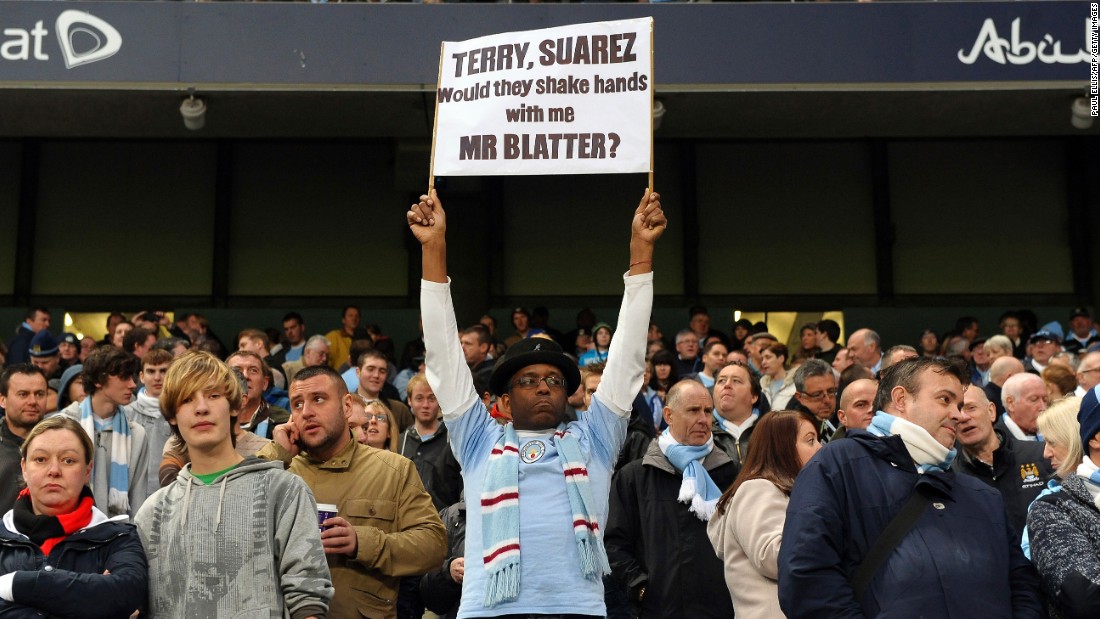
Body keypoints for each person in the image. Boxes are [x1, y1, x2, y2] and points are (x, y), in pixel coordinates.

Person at [410, 187, 664, 617]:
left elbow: (627, 357)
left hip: (576, 609)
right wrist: (434, 248)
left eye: (553, 380)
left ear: (570, 394)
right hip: (487, 610)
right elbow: (443, 355)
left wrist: (641, 251)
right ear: (504, 402)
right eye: (528, 380)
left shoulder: (595, 438)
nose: (543, 386)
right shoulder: (478, 439)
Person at [778, 357, 1044, 618]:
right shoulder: (838, 466)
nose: (958, 415)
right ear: (901, 399)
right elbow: (807, 577)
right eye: (945, 399)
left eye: (961, 404)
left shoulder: (982, 495)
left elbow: (1021, 583)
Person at [135, 351, 333, 618]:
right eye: (187, 399)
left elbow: (308, 595)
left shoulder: (283, 491)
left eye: (213, 395)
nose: (201, 407)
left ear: (235, 407)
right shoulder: (152, 512)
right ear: (172, 415)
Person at [261, 365, 446, 619]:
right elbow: (230, 524)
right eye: (297, 404)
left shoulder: (393, 470)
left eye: (318, 399)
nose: (306, 412)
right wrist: (276, 454)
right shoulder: (279, 469)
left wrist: (362, 542)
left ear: (347, 406)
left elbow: (434, 546)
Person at [606, 380, 736, 618]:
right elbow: (615, 543)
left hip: (721, 609)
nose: (703, 419)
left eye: (708, 411)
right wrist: (640, 587)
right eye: (693, 410)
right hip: (659, 609)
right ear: (668, 415)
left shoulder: (730, 473)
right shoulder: (635, 476)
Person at [0, 415, 147, 617]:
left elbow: (127, 594)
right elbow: (109, 603)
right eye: (40, 459)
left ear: (88, 470)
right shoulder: (3, 535)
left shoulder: (119, 538)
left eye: (68, 460)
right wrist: (91, 599)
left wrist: (15, 584)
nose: (54, 470)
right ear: (24, 468)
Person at [707, 410, 822, 619]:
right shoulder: (758, 489)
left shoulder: (790, 492)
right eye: (810, 440)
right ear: (782, 448)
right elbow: (774, 558)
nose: (820, 448)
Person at [1026, 387, 1100, 618]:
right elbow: (1084, 600)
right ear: (1096, 437)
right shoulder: (1051, 508)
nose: (1045, 453)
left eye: (1052, 441)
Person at [54, 346, 150, 519]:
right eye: (124, 377)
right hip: (70, 531)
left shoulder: (137, 434)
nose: (133, 385)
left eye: (132, 377)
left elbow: (138, 502)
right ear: (98, 380)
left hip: (119, 537)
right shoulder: (62, 426)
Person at [954, 384, 1052, 535]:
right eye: (956, 411)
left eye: (971, 408)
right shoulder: (951, 477)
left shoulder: (1041, 454)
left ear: (991, 411)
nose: (963, 417)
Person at [399, 373, 462, 512]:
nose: (425, 405)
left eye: (432, 398)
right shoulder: (400, 441)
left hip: (445, 521)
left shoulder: (453, 439)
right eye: (419, 398)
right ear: (409, 400)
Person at [0, 365, 48, 514]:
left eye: (39, 394)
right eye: (23, 394)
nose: (33, 401)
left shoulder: (64, 443)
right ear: (3, 400)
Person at [126, 348, 174, 494]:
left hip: (172, 494)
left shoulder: (182, 413)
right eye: (151, 371)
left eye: (163, 371)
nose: (157, 377)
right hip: (133, 497)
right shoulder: (126, 414)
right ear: (141, 376)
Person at [711, 362, 764, 469]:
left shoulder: (770, 432)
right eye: (721, 381)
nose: (727, 385)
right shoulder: (701, 432)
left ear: (753, 396)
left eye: (736, 381)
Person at [790, 359, 839, 443]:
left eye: (831, 391)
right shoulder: (792, 429)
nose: (827, 400)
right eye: (817, 395)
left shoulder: (844, 416)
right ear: (799, 397)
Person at [1000, 372, 1049, 441]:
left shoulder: (1053, 434)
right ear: (1010, 403)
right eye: (1034, 400)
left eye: (1045, 400)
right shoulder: (997, 442)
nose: (1043, 408)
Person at [759, 342, 795, 411]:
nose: (763, 362)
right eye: (762, 359)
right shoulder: (762, 386)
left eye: (768, 357)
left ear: (781, 358)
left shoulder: (795, 384)